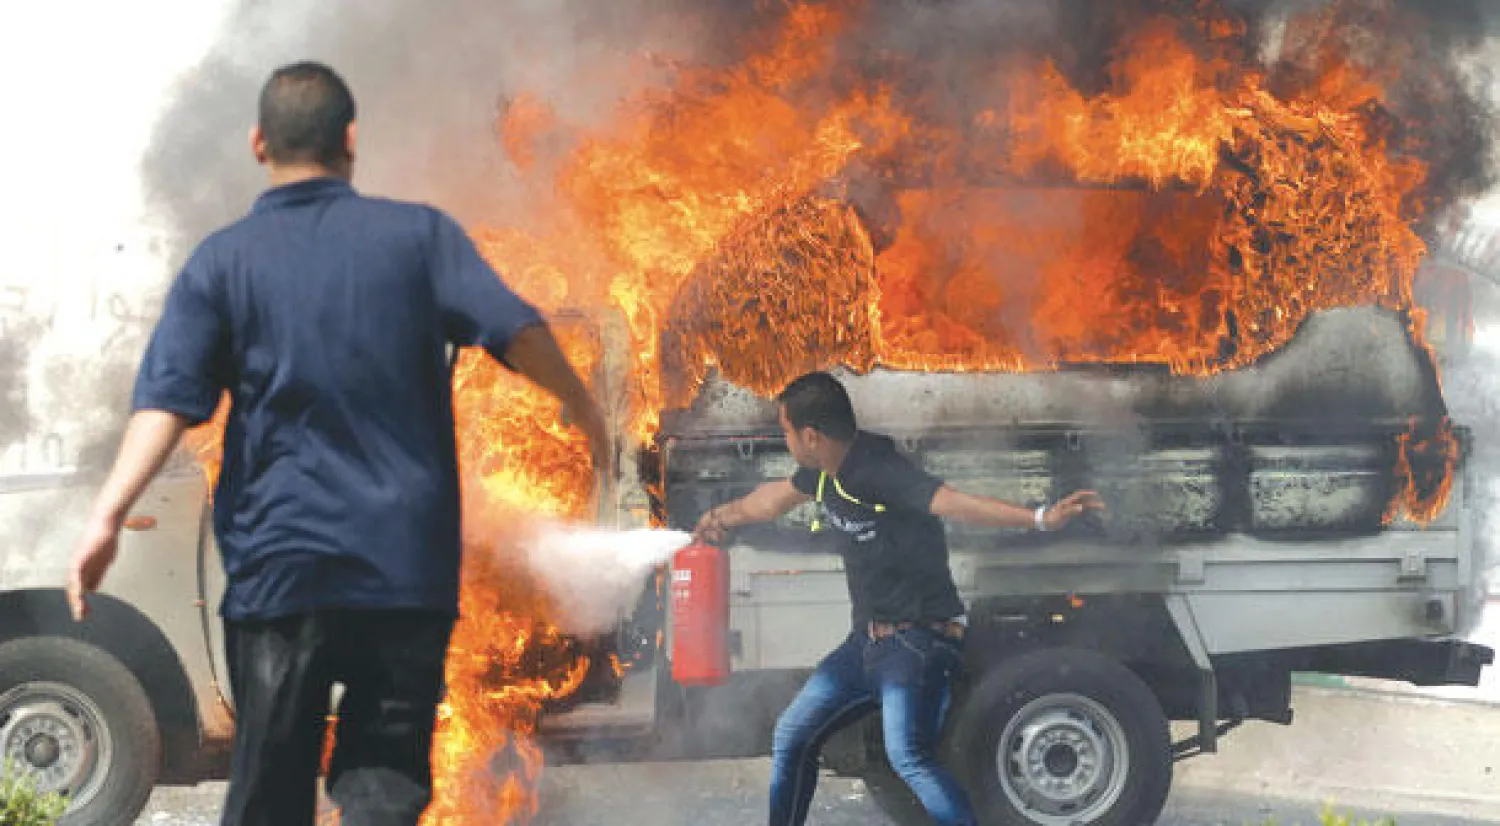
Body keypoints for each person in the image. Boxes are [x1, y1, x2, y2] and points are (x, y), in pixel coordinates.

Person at [65, 61, 609, 826]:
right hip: (402, 576)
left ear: (259, 143)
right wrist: (583, 406)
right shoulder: (419, 239)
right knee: (385, 782)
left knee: (270, 787)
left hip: (280, 575)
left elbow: (169, 402)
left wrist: (107, 516)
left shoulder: (224, 261)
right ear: (351, 140)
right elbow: (516, 329)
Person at [693, 371, 1102, 826]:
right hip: (867, 644)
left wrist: (1041, 518)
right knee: (792, 735)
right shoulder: (825, 473)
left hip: (918, 640)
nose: (784, 439)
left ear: (810, 436)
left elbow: (953, 502)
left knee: (907, 756)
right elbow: (770, 501)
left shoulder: (880, 471)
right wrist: (720, 517)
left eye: (786, 431)